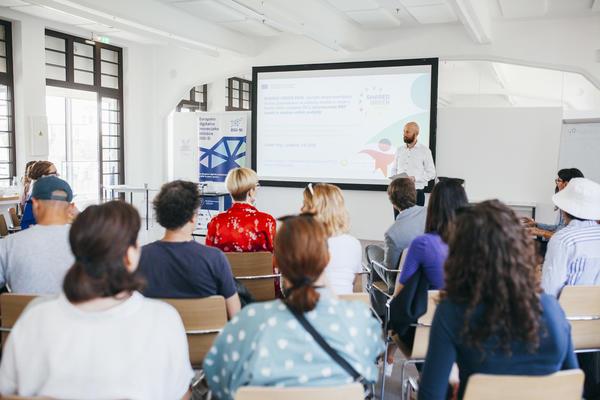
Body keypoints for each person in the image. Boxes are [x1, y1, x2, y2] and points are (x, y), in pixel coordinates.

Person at [0, 201, 194, 399]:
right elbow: (180, 395)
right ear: (129, 256)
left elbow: (6, 393)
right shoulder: (163, 319)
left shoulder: (35, 317)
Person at [204, 214, 383, 400]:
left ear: (277, 263)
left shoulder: (249, 322)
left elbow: (217, 381)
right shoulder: (359, 321)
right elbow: (370, 372)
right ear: (327, 258)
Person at [418, 200, 578, 400]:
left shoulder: (452, 312)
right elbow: (574, 386)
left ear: (461, 255)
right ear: (521, 250)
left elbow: (430, 395)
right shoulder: (552, 308)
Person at [139, 180, 241, 318]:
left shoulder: (140, 257)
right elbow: (235, 315)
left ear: (160, 215)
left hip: (157, 338)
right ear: (193, 217)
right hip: (208, 339)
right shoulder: (214, 258)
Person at [0, 176, 75, 294]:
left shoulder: (9, 244)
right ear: (71, 208)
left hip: (24, 311)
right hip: (74, 311)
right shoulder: (86, 242)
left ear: (35, 204)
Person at [394, 179, 468, 295]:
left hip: (432, 311)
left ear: (433, 206)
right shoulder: (475, 244)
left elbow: (399, 295)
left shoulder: (422, 244)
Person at [301, 183, 362, 294]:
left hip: (311, 308)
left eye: (305, 204)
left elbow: (289, 289)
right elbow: (356, 285)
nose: (301, 209)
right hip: (345, 308)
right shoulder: (354, 244)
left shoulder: (302, 243)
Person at [206, 167, 276, 253]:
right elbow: (274, 256)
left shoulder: (216, 221)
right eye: (256, 186)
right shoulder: (267, 221)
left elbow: (209, 256)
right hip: (257, 266)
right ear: (251, 191)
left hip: (226, 267)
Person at [523, 168, 584, 239]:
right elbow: (559, 227)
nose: (557, 183)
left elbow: (564, 236)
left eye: (559, 180)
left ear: (566, 184)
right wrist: (536, 225)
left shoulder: (574, 207)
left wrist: (542, 232)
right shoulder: (566, 203)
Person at [384, 177, 427, 274]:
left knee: (371, 251)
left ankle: (375, 289)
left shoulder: (391, 233)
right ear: (415, 194)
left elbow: (390, 270)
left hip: (402, 279)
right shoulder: (431, 213)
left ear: (393, 203)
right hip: (428, 275)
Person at [389, 122, 436, 206]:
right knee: (399, 219)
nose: (404, 134)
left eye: (407, 132)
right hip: (398, 193)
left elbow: (432, 173)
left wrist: (415, 178)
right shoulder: (399, 150)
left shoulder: (425, 151)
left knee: (416, 219)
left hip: (416, 193)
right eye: (404, 131)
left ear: (416, 133)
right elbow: (393, 169)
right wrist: (394, 180)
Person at [20, 160, 58, 230]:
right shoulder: (39, 196)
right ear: (43, 176)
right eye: (54, 173)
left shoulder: (38, 191)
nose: (58, 175)